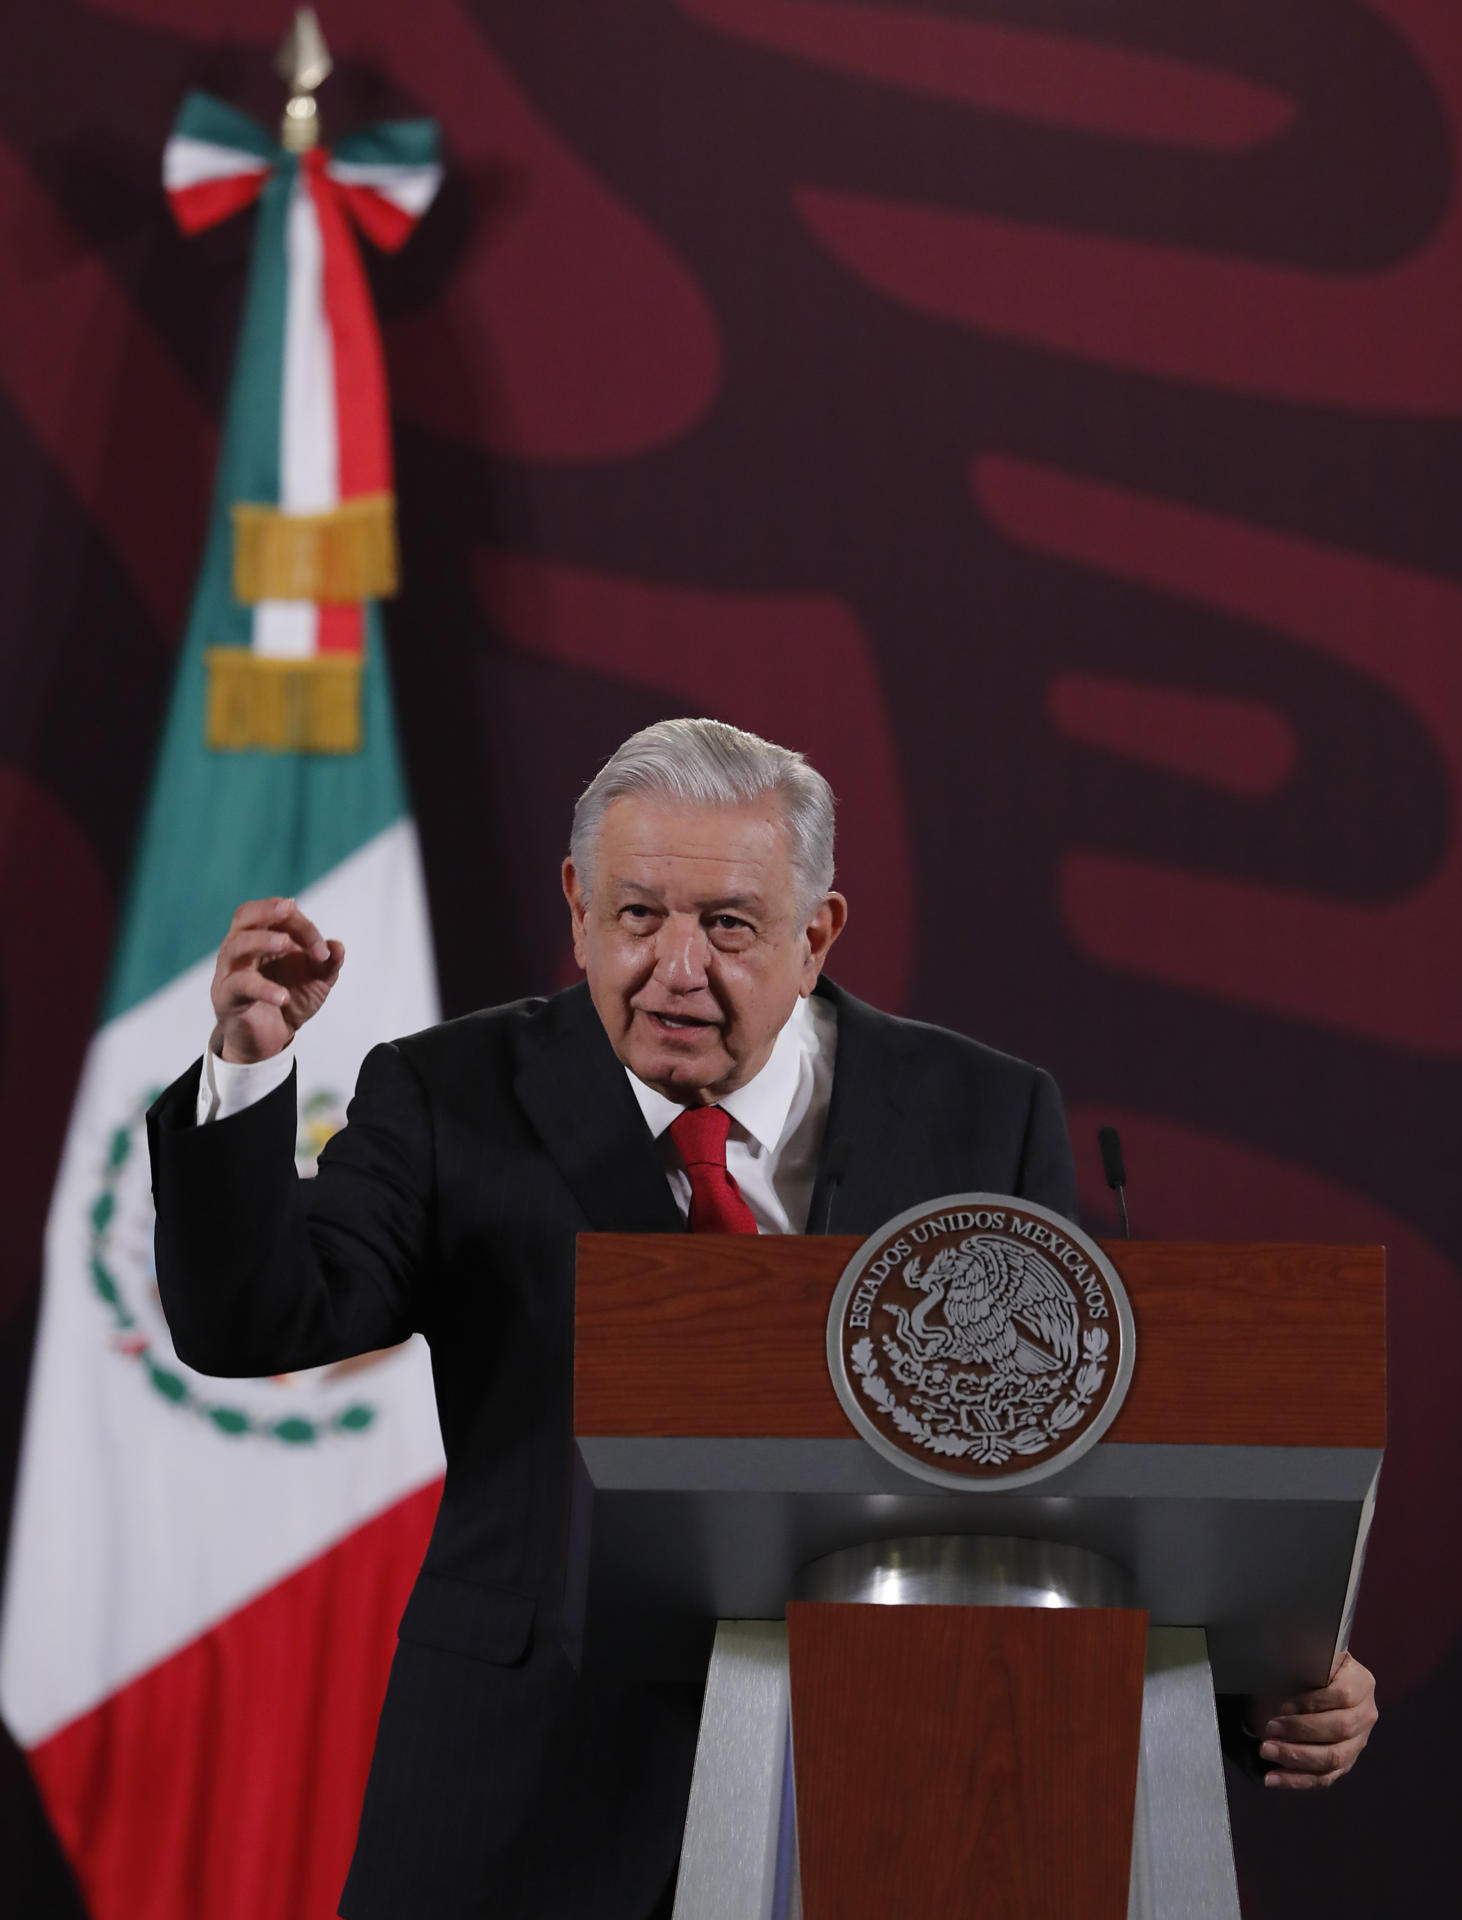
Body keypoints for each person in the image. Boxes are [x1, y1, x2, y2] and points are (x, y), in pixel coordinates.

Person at [148, 718, 1377, 1919]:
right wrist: (248, 1067)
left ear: (816, 933)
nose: (675, 967)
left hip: (895, 1797)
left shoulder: (979, 1115)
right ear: (577, 908)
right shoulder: (448, 1093)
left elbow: (1057, 1463)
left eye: (728, 926)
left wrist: (1249, 1686)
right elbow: (253, 1321)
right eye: (637, 917)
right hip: (522, 1796)